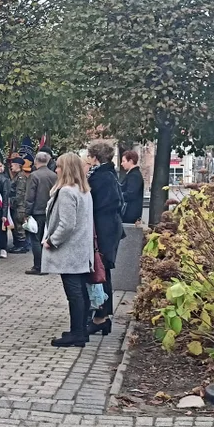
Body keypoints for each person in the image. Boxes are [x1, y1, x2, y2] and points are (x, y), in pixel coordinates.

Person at [41, 153, 95, 348]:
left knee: (74, 294)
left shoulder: (66, 192)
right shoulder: (83, 191)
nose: (56, 170)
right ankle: (80, 330)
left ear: (67, 169)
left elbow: (66, 224)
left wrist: (51, 241)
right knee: (80, 291)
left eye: (59, 166)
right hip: (81, 248)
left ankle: (77, 333)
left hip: (69, 250)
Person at [87, 141, 124, 333]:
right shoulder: (106, 174)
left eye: (89, 155)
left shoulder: (101, 176)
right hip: (108, 229)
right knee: (102, 272)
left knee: (101, 272)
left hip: (104, 231)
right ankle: (101, 316)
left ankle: (101, 316)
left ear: (95, 157)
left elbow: (105, 204)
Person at [24, 152, 57, 276]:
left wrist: (26, 212)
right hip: (50, 211)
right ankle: (48, 264)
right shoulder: (54, 175)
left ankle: (38, 266)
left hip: (37, 212)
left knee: (36, 239)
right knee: (47, 238)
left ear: (36, 161)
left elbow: (30, 196)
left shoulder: (34, 176)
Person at [9, 157, 31, 253]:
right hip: (17, 206)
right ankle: (17, 244)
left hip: (19, 206)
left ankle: (22, 246)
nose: (11, 166)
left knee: (19, 226)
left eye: (13, 164)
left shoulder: (21, 177)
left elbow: (20, 193)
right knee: (16, 226)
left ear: (19, 165)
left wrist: (12, 202)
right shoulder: (17, 176)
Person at [120, 150, 144, 224]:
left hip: (129, 213)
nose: (121, 164)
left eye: (123, 161)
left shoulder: (134, 176)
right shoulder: (133, 174)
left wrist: (118, 195)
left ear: (130, 161)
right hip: (130, 212)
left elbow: (130, 194)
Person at [0, 160, 12, 259]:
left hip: (0, 207)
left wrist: (4, 213)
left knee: (2, 229)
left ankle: (3, 248)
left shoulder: (5, 179)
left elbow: (5, 197)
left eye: (1, 165)